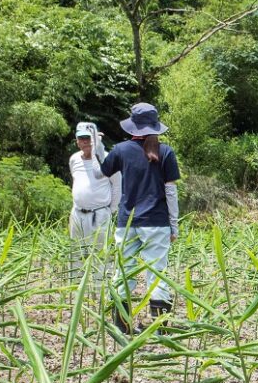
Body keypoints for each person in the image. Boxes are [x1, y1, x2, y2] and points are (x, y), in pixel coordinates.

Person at [100, 103, 180, 333]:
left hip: (128, 222)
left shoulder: (120, 150)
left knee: (123, 271)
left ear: (132, 126)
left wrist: (97, 148)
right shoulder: (165, 152)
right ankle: (159, 328)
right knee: (157, 273)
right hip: (157, 222)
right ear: (155, 126)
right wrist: (174, 225)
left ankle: (121, 326)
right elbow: (171, 192)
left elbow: (103, 172)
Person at [68, 122, 119, 281]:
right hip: (77, 213)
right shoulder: (74, 159)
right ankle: (75, 286)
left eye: (88, 138)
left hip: (100, 214)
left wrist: (110, 210)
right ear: (77, 141)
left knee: (101, 253)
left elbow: (118, 186)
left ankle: (100, 288)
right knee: (76, 252)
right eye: (81, 138)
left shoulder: (107, 158)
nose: (85, 142)